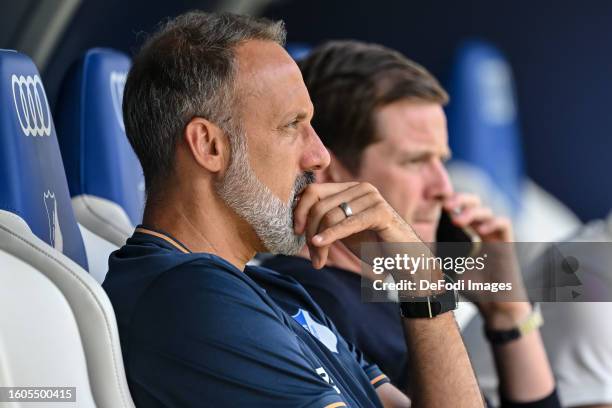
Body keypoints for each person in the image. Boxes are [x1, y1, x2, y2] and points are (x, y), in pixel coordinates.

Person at [102, 11, 484, 407]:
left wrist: (421, 280)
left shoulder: (272, 289)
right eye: (291, 125)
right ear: (210, 146)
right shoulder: (192, 299)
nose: (318, 156)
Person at [262, 40, 560, 407]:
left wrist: (507, 313)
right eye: (415, 162)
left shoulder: (385, 296)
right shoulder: (309, 304)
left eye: (441, 161)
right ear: (327, 171)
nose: (443, 188)